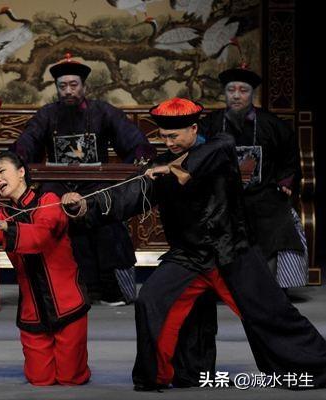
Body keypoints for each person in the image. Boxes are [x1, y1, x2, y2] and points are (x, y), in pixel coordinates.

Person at [62, 97, 326, 391]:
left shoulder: (220, 147)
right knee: (151, 300)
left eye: (174, 136)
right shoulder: (160, 165)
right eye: (163, 136)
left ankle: (315, 366)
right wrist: (84, 206)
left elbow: (211, 154)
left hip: (232, 251)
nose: (168, 142)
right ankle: (171, 374)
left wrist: (173, 168)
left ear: (193, 128)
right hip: (188, 255)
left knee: (271, 313)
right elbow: (128, 195)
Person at [12, 53, 156, 306]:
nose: (68, 91)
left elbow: (133, 141)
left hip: (96, 184)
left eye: (73, 85)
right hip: (57, 185)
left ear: (84, 86)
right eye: (62, 86)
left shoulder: (103, 112)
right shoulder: (46, 115)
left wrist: (137, 161)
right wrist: (14, 162)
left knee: (107, 218)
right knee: (51, 217)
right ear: (57, 88)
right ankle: (61, 289)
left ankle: (112, 289)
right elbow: (27, 144)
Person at [0, 151, 91, 386]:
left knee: (70, 379)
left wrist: (5, 228)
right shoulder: (0, 214)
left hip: (67, 303)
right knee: (39, 379)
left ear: (21, 172)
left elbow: (41, 237)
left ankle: (76, 366)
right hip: (32, 310)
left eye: (1, 171)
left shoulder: (49, 200)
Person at [199, 65, 308, 289]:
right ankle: (222, 286)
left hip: (262, 194)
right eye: (231, 90)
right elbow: (196, 154)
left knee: (280, 221)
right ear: (224, 93)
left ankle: (270, 287)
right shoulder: (211, 124)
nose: (236, 95)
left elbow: (289, 156)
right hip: (222, 195)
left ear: (252, 94)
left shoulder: (272, 124)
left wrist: (285, 181)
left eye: (243, 90)